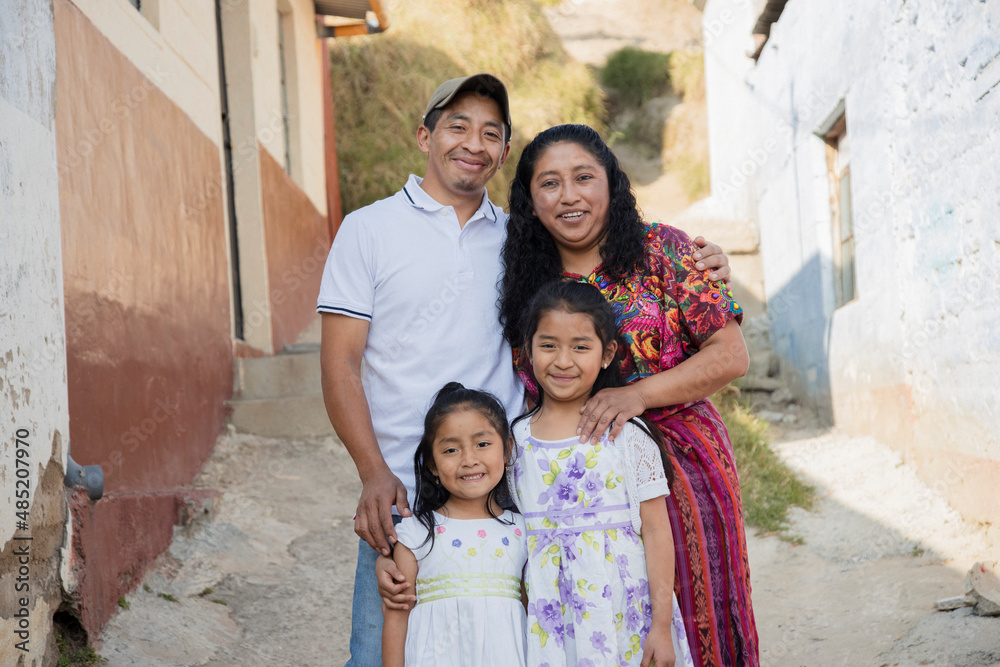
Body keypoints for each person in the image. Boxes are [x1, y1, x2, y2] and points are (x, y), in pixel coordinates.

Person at [318, 73, 731, 667]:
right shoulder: (369, 229)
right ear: (423, 136)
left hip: (513, 493)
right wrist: (372, 472)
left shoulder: (520, 242)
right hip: (407, 495)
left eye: (491, 132)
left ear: (504, 152)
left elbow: (601, 243)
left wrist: (702, 258)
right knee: (384, 649)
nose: (473, 142)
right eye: (457, 126)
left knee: (514, 644)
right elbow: (339, 366)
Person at [498, 124, 759, 666]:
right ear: (530, 202)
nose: (569, 195)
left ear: (611, 185)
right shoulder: (523, 276)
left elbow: (730, 355)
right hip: (574, 479)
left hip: (685, 468)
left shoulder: (664, 250)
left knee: (698, 611)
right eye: (549, 183)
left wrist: (635, 396)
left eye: (584, 177)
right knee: (594, 622)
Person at [510, 280, 695, 667]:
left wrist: (661, 627)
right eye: (548, 345)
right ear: (527, 350)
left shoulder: (627, 436)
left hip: (627, 617)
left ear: (607, 353)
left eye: (580, 346)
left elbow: (658, 531)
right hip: (552, 626)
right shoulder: (513, 443)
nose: (563, 361)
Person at [382, 383, 527, 667]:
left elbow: (528, 608)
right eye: (450, 450)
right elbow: (396, 617)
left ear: (507, 449)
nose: (469, 460)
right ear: (432, 464)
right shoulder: (417, 533)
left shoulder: (522, 531)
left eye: (483, 444)